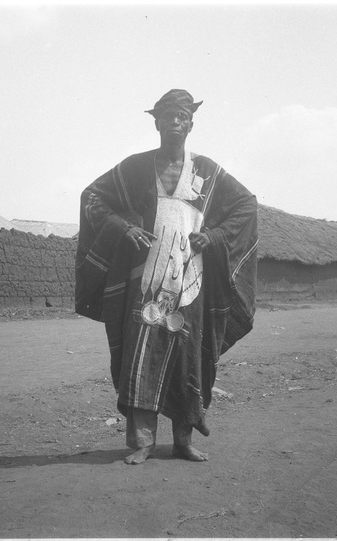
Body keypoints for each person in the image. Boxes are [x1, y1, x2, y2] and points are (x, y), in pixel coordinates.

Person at [75, 89, 258, 464]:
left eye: (182, 116)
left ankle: (182, 441)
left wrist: (214, 235)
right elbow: (92, 197)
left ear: (191, 123)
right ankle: (142, 443)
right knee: (140, 356)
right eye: (168, 116)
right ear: (156, 122)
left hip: (191, 277)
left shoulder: (207, 171)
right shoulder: (135, 168)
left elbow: (246, 204)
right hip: (146, 277)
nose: (175, 122)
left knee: (187, 357)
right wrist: (121, 227)